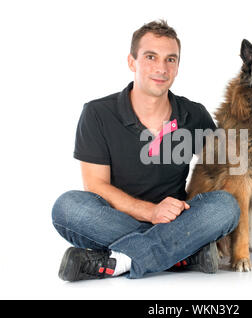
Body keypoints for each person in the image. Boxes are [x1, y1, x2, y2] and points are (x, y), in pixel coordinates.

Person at [51, 20, 240, 281]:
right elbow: (95, 185)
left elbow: (227, 170)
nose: (161, 68)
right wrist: (152, 213)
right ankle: (183, 253)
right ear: (132, 62)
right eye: (151, 57)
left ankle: (117, 262)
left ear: (177, 66)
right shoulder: (97, 113)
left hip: (178, 218)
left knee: (225, 206)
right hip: (117, 219)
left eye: (170, 59)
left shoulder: (193, 115)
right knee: (68, 208)